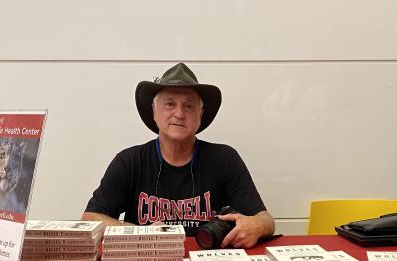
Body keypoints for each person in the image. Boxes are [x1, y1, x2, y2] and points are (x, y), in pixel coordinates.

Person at [83, 62, 275, 249]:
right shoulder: (129, 161)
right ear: (154, 111)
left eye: (189, 106)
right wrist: (138, 233)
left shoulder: (224, 159)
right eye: (169, 104)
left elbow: (265, 219)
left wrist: (255, 226)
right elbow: (90, 219)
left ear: (200, 115)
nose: (179, 114)